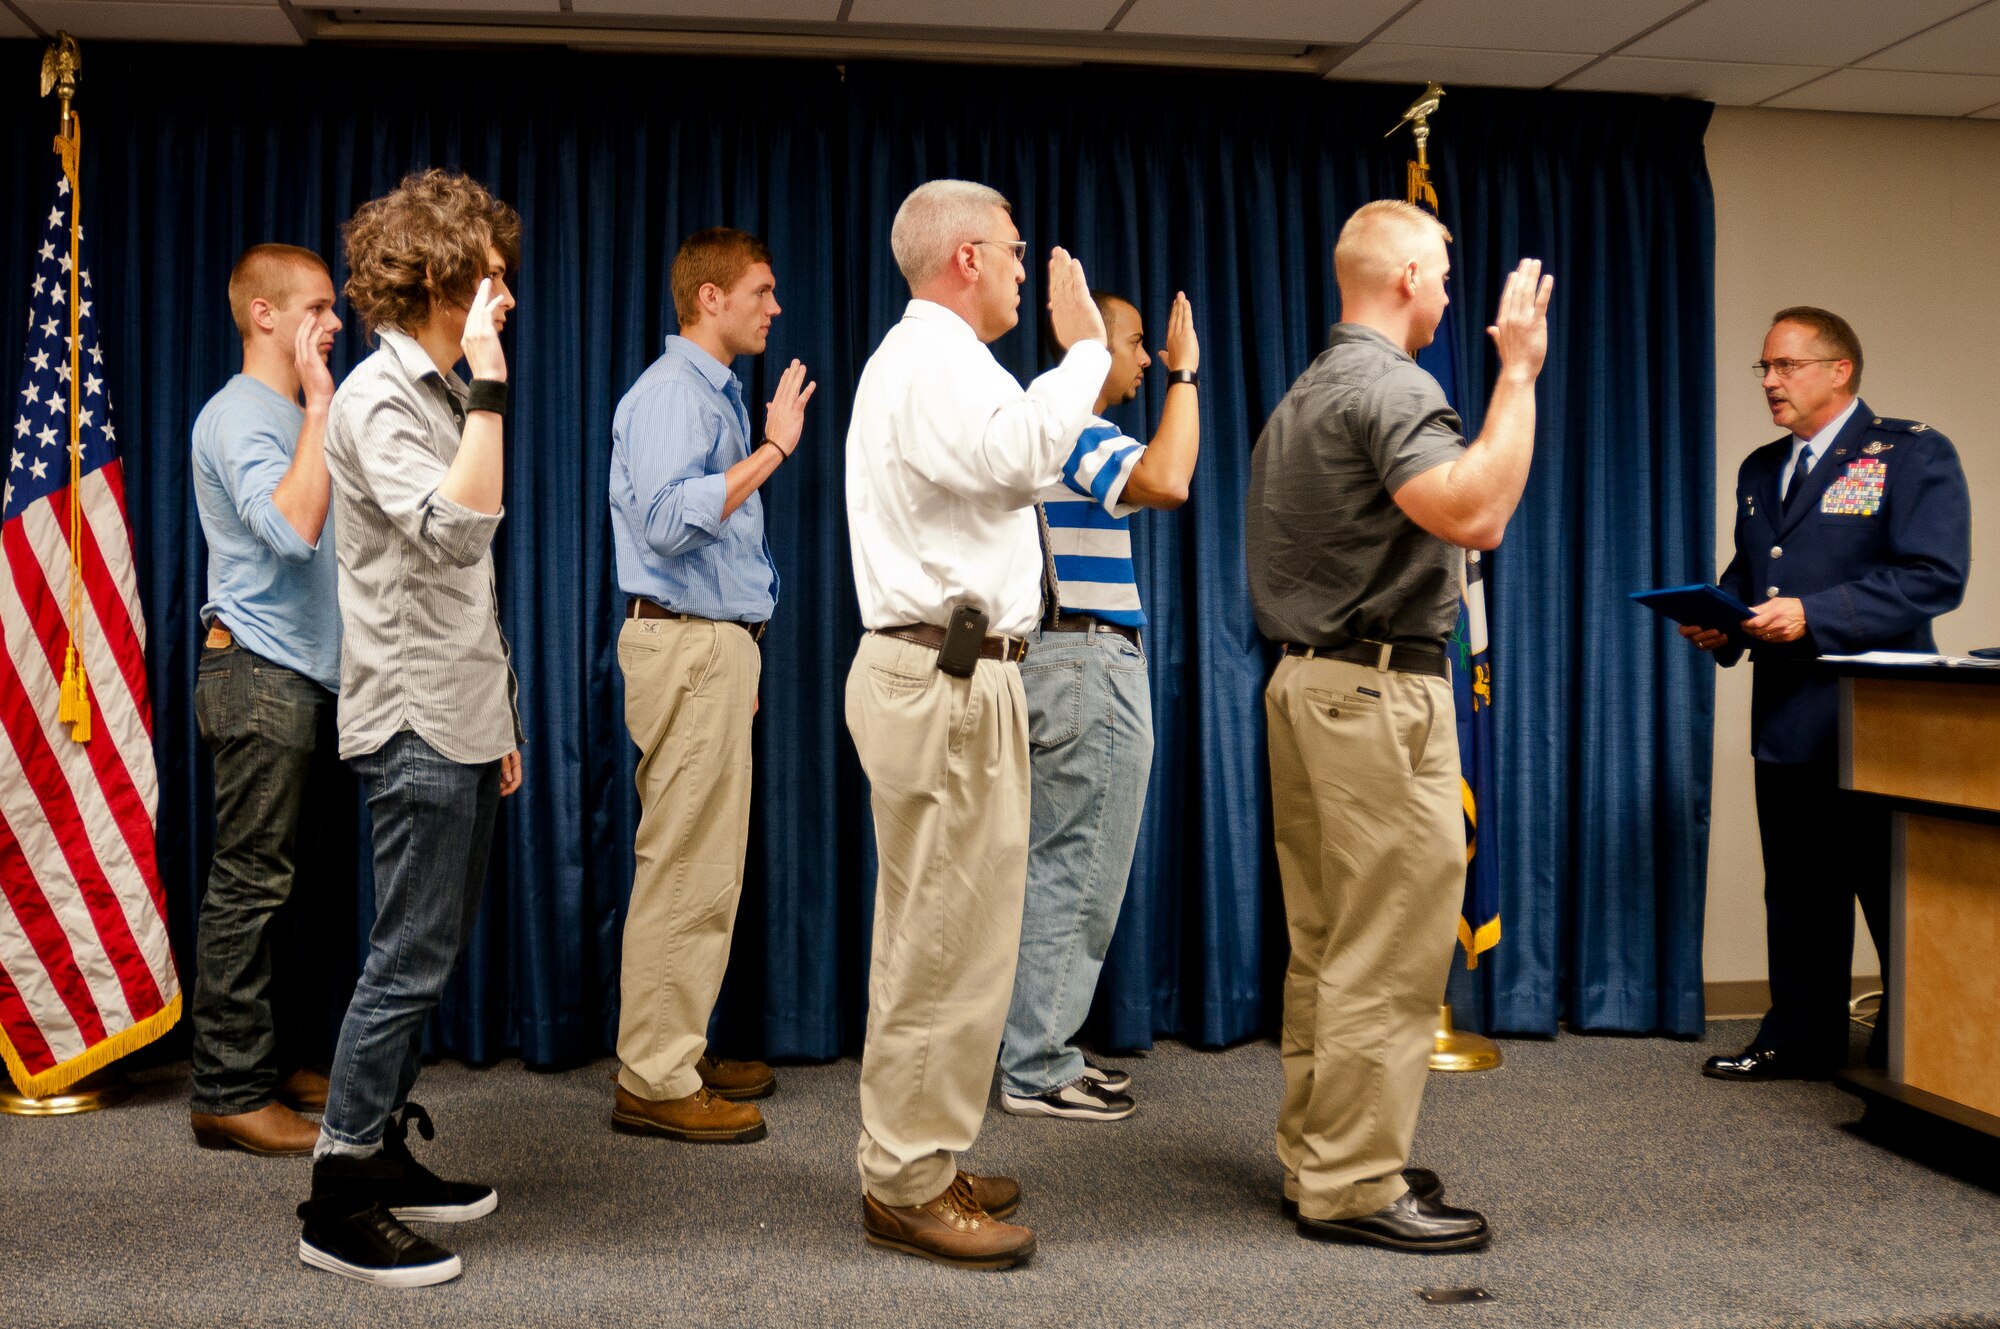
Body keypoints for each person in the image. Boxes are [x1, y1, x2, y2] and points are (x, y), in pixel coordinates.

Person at [1246, 199, 1552, 1253]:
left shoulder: (1308, 389)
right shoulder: (1388, 385)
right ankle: (1352, 1181)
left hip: (1312, 691)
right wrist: (1516, 372)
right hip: (1375, 700)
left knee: (1330, 945)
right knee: (1383, 952)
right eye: (1444, 279)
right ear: (1408, 279)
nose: (1451, 301)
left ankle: (1322, 1150)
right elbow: (1474, 514)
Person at [843, 178, 1108, 1269]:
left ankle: (919, 1153)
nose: (1019, 266)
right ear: (963, 257)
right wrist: (1084, 349)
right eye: (1008, 250)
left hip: (956, 678)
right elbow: (1016, 459)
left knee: (949, 938)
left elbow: (1016, 464)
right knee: (942, 943)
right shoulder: (930, 361)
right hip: (944, 680)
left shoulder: (943, 365)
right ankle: (906, 1180)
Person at [296, 170, 524, 1288]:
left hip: (463, 714)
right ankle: (337, 1192)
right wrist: (489, 388)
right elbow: (455, 536)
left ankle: (379, 1152)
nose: (506, 298)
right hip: (413, 721)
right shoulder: (380, 399)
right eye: (490, 277)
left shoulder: (434, 393)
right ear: (441, 279)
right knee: (403, 960)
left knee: (425, 957)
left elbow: (464, 596)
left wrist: (504, 715)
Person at [1686, 307, 1970, 1082]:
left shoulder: (1910, 455)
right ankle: (1797, 1037)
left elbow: (1932, 577)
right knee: (1800, 893)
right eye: (1764, 369)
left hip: (1877, 719)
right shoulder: (1759, 467)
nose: (1771, 382)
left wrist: (1815, 614)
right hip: (1787, 717)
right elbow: (1753, 581)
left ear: (1839, 369)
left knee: (1891, 890)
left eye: (1786, 366)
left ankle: (1918, 1046)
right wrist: (1724, 622)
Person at [607, 227, 815, 1144]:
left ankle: (675, 1048)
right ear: (709, 299)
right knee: (686, 863)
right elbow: (661, 524)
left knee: (705, 863)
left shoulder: (709, 396)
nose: (775, 305)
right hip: (688, 649)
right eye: (761, 290)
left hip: (711, 649)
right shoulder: (671, 396)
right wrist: (772, 452)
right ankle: (654, 1076)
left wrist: (742, 647)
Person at [997, 288, 1200, 1122]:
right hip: (1086, 659)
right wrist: (1188, 377)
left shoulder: (1053, 420)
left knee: (1058, 863)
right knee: (1079, 866)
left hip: (1066, 658)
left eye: (1159, 350)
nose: (1150, 358)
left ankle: (1036, 1050)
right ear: (1093, 341)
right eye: (1139, 341)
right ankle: (1038, 1065)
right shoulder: (1073, 420)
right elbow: (1168, 479)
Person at [187, 244, 344, 1156]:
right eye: (318, 307)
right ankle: (227, 1091)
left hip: (304, 680)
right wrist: (321, 405)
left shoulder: (289, 414)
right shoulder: (243, 415)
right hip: (257, 676)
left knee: (293, 889)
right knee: (251, 887)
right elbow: (290, 529)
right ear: (265, 317)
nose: (333, 323)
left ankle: (276, 1059)